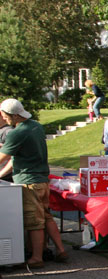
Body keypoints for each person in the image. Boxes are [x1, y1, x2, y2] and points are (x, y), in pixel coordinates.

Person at [0, 98, 68, 267]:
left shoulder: (18, 133)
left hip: (29, 182)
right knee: (46, 216)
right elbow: (16, 158)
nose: (4, 119)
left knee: (34, 222)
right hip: (43, 180)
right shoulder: (36, 126)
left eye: (5, 116)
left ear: (14, 115)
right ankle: (60, 249)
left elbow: (3, 157)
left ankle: (36, 258)